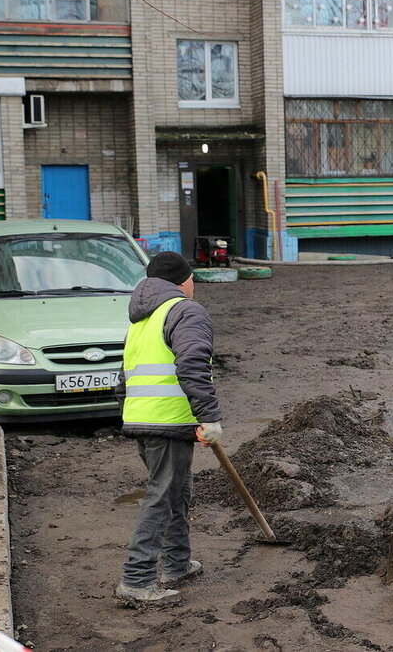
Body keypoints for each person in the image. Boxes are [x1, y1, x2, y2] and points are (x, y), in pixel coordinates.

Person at [115, 251, 223, 604]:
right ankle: (137, 578)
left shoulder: (140, 319)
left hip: (143, 419)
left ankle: (177, 563)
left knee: (176, 492)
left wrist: (132, 414)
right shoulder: (185, 310)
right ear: (184, 280)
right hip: (167, 420)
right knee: (162, 496)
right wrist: (208, 416)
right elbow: (192, 363)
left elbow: (123, 379)